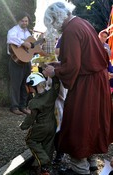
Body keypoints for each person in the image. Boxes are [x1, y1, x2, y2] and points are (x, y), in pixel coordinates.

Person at [43, 2, 113, 175]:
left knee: (78, 124)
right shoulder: (82, 22)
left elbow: (73, 66)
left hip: (87, 84)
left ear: (56, 18)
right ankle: (91, 165)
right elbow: (83, 59)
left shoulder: (71, 30)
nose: (54, 26)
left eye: (51, 22)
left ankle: (79, 170)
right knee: (91, 123)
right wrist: (59, 64)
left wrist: (54, 71)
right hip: (98, 81)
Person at [20, 72, 60, 175]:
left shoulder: (33, 102)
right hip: (53, 124)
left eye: (30, 86)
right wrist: (54, 75)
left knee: (30, 140)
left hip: (41, 126)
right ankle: (44, 169)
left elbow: (30, 118)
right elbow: (57, 85)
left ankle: (43, 160)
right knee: (48, 144)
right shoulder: (51, 94)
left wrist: (24, 126)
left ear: (33, 86)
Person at [7, 12, 32, 115]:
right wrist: (22, 43)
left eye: (26, 21)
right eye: (23, 20)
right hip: (15, 61)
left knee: (25, 84)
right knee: (15, 85)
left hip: (26, 61)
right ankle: (14, 107)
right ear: (18, 21)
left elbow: (30, 46)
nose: (24, 22)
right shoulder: (13, 30)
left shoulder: (28, 33)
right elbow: (10, 39)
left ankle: (23, 106)